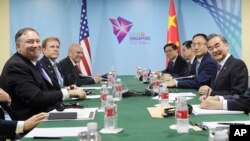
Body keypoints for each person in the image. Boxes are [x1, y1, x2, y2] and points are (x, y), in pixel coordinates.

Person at [0, 27, 86, 120]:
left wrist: (67, 89)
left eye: (37, 41)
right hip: (32, 121)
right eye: (30, 42)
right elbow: (36, 98)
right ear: (18, 47)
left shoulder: (31, 62)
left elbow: (46, 89)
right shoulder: (16, 65)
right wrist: (68, 93)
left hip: (46, 112)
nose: (36, 45)